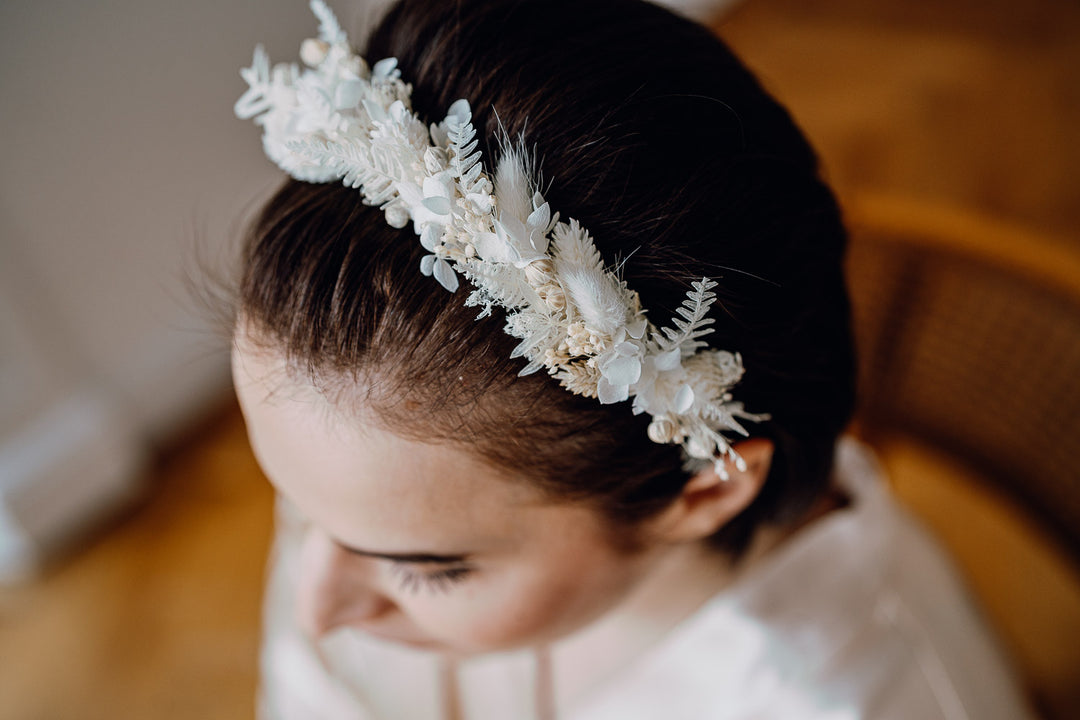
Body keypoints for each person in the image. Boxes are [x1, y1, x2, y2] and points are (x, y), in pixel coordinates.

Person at [230, 0, 1034, 717]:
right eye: (297, 507)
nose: (316, 612)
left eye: (431, 572)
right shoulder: (366, 479)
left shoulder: (859, 698)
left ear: (702, 494)